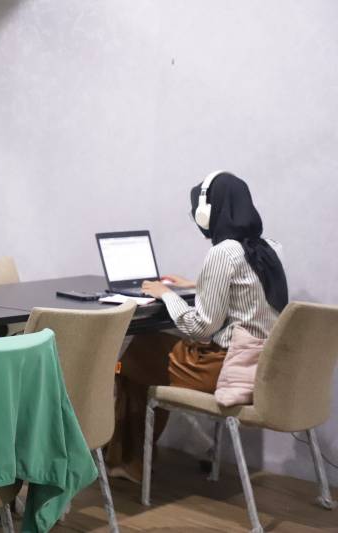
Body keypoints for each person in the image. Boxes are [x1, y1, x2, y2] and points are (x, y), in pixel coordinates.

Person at [106, 171, 288, 482]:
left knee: (129, 358)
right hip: (260, 366)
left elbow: (200, 328)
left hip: (221, 367)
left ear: (207, 211)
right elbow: (248, 291)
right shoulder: (270, 248)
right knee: (142, 355)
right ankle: (129, 459)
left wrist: (166, 294)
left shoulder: (221, 252)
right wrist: (196, 285)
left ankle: (127, 459)